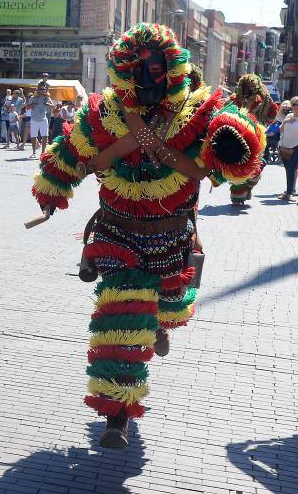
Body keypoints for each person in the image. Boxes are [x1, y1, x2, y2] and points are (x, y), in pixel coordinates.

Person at [32, 23, 265, 449]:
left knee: (166, 308)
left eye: (157, 68)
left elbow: (236, 147)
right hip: (117, 232)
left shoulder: (199, 113)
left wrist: (235, 146)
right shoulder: (103, 112)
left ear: (172, 69)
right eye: (139, 68)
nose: (148, 77)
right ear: (124, 70)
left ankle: (157, 324)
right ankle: (117, 413)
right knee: (121, 316)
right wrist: (52, 188)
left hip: (171, 235)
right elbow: (72, 152)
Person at [226, 74, 278, 206]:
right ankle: (239, 192)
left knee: (252, 163)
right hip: (240, 135)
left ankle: (243, 190)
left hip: (254, 136)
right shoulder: (237, 98)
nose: (245, 92)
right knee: (238, 162)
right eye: (244, 88)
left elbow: (270, 115)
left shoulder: (260, 99)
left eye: (248, 88)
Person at [277, 96, 298, 200]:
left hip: (296, 147)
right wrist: (286, 122)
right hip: (285, 147)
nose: (296, 107)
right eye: (294, 104)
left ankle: (289, 193)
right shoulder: (289, 115)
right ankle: (289, 191)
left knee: (291, 169)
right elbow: (280, 130)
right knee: (288, 170)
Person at [26, 87, 54, 159]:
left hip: (43, 119)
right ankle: (34, 152)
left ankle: (43, 152)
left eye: (44, 89)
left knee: (45, 136)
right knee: (33, 136)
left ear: (45, 90)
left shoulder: (47, 98)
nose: (42, 90)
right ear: (38, 90)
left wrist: (49, 105)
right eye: (41, 89)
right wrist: (32, 105)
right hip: (34, 119)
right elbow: (27, 107)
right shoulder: (33, 97)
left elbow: (53, 107)